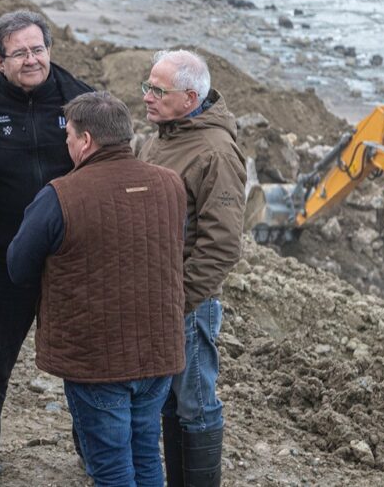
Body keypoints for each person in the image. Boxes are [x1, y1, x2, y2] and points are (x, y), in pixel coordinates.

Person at [7, 92, 188, 486]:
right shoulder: (171, 185)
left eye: (69, 136)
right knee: (145, 456)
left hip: (97, 359)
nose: (66, 144)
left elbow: (18, 265)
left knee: (110, 467)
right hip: (159, 352)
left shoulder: (61, 195)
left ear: (86, 140)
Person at [0, 10, 95, 487]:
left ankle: (91, 451)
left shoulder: (82, 101)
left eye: (38, 49)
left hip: (71, 257)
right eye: (20, 52)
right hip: (3, 257)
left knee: (85, 360)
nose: (32, 59)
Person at [137, 50, 246, 487]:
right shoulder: (160, 136)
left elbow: (222, 245)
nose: (146, 96)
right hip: (159, 297)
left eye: (157, 90)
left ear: (188, 97)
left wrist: (180, 300)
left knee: (195, 402)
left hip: (188, 303)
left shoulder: (216, 152)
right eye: (147, 86)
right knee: (168, 401)